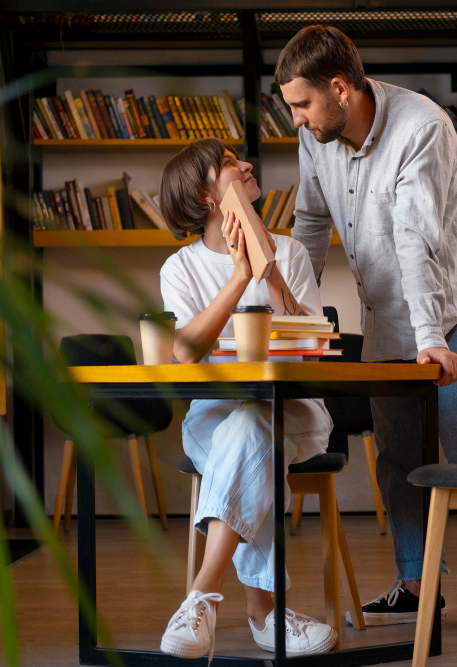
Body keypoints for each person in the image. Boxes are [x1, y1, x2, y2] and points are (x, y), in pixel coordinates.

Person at [276, 26, 457, 634]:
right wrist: (292, 318)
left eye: (302, 105)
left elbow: (415, 242)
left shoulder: (421, 127)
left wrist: (431, 339)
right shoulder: (319, 139)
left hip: (449, 314)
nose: (296, 120)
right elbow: (312, 226)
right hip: (382, 316)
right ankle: (414, 582)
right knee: (398, 457)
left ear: (341, 89)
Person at [156, 137, 338, 659]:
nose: (248, 165)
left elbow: (314, 343)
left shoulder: (293, 251)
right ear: (205, 194)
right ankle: (267, 618)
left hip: (295, 415)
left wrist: (270, 270)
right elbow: (185, 354)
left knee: (252, 425)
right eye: (232, 164)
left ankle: (200, 596)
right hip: (210, 419)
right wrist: (239, 277)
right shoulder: (180, 268)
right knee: (243, 432)